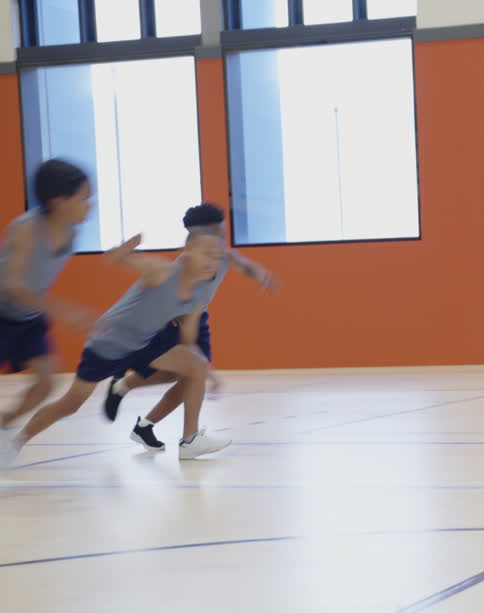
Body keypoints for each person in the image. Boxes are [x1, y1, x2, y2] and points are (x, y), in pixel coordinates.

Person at [1, 232, 232, 467]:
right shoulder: (162, 272)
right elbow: (113, 258)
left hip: (144, 343)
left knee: (194, 367)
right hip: (108, 342)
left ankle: (190, 440)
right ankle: (16, 442)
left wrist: (209, 374)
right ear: (188, 251)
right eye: (206, 254)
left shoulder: (198, 296)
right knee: (71, 403)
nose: (212, 262)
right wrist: (124, 249)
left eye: (217, 257)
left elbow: (189, 341)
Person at [103, 203, 278, 449]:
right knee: (195, 373)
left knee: (188, 378)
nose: (222, 235)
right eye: (217, 231)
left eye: (223, 230)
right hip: (176, 319)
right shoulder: (186, 265)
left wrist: (262, 276)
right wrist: (209, 370)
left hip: (197, 317)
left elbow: (244, 265)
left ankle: (142, 421)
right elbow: (179, 308)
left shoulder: (222, 254)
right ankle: (188, 439)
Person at [0, 159, 96, 431]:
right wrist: (66, 312)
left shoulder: (71, 233)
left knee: (46, 384)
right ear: (59, 202)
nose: (90, 205)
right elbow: (13, 287)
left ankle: (3, 424)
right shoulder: (26, 229)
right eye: (83, 198)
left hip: (28, 319)